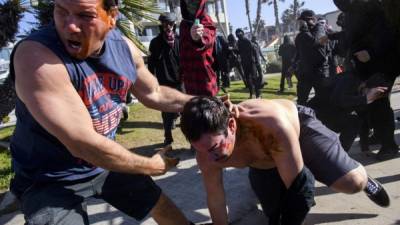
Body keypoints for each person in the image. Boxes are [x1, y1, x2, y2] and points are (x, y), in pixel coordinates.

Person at [9, 0, 197, 224]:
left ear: (112, 16)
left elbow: (155, 93)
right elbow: (82, 143)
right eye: (61, 11)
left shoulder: (124, 48)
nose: (70, 26)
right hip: (49, 178)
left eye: (85, 15)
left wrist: (201, 103)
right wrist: (150, 165)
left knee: (160, 204)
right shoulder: (36, 56)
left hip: (104, 164)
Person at [180, 96, 390, 225]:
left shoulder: (268, 126)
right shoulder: (206, 152)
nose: (210, 158)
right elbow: (216, 199)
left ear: (232, 127)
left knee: (351, 183)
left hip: (300, 131)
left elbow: (300, 189)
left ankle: (364, 178)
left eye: (214, 148)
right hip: (264, 160)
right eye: (201, 150)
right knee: (274, 216)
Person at [148, 12, 181, 146]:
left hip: (181, 82)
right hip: (164, 83)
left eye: (171, 24)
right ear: (162, 24)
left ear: (174, 25)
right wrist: (152, 82)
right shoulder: (155, 43)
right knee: (166, 113)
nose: (169, 26)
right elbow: (151, 65)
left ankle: (191, 140)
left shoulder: (181, 40)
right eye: (166, 24)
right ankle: (168, 138)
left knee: (186, 111)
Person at [179, 0, 218, 97]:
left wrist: (198, 38)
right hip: (188, 81)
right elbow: (182, 50)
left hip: (204, 80)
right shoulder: (183, 24)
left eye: (194, 1)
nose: (190, 4)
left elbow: (207, 38)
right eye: (187, 1)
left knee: (208, 109)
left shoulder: (206, 20)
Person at [236, 29, 261, 99]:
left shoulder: (247, 41)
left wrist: (256, 61)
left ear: (242, 34)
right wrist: (234, 50)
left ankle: (258, 94)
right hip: (244, 63)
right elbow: (239, 52)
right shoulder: (239, 42)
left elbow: (254, 50)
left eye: (239, 33)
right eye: (237, 34)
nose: (238, 35)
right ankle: (252, 94)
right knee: (248, 79)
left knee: (254, 78)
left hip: (251, 62)